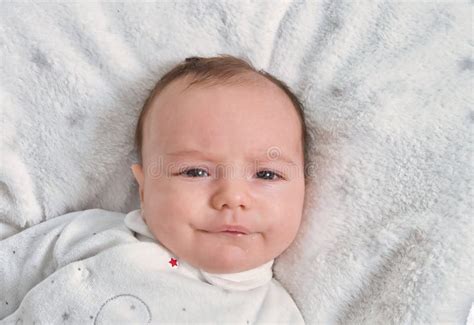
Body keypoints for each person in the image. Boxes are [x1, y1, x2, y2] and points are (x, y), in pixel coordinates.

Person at [0, 55, 310, 323]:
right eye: (195, 171)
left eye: (267, 174)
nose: (232, 197)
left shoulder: (276, 315)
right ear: (145, 189)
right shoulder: (92, 235)